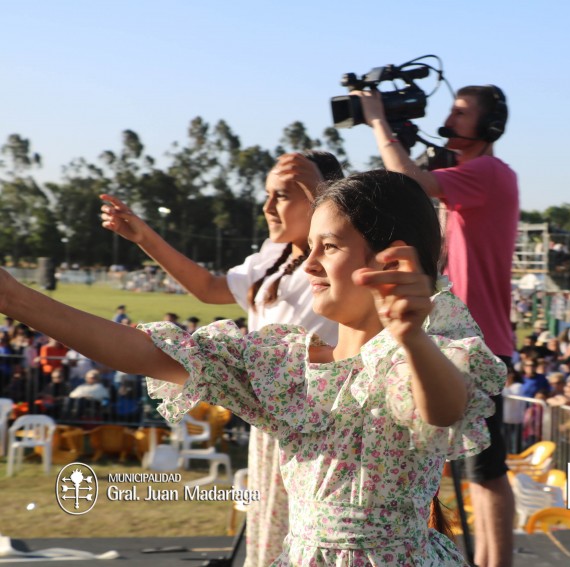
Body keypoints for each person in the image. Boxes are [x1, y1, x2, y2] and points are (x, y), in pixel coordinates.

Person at [0, 170, 504, 566]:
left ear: (393, 261)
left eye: (327, 247)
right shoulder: (283, 364)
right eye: (308, 248)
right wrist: (14, 297)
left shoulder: (417, 353)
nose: (308, 266)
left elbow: (440, 407)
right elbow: (140, 350)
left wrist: (410, 335)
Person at [100, 151, 341, 567]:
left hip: (322, 424)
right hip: (271, 426)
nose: (267, 208)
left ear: (321, 200)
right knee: (272, 537)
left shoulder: (342, 259)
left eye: (282, 195)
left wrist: (328, 197)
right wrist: (145, 237)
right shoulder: (274, 258)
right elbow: (209, 288)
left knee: (317, 537)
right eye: (266, 195)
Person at [356, 84, 516, 566]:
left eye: (460, 112)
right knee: (461, 472)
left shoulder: (487, 171)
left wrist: (377, 121)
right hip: (459, 333)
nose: (450, 117)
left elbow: (405, 178)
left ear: (489, 126)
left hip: (478, 339)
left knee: (485, 473)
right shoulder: (471, 175)